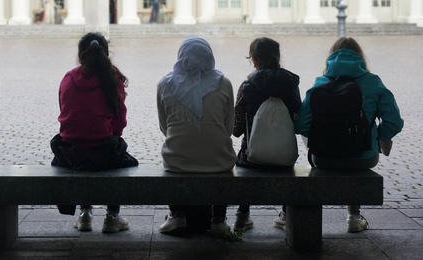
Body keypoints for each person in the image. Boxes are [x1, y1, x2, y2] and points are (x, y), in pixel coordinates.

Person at [295, 37, 404, 232]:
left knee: (311, 133)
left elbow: (302, 126)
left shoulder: (319, 83)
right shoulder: (373, 82)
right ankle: (354, 217)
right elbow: (394, 122)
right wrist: (374, 137)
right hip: (364, 157)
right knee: (358, 145)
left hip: (323, 158)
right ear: (360, 57)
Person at [50, 32, 138, 233]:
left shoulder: (68, 78)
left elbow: (66, 112)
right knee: (118, 153)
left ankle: (85, 214)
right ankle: (112, 217)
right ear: (106, 55)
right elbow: (119, 122)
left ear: (81, 55)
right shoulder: (113, 78)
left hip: (69, 151)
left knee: (83, 155)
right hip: (102, 148)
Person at [156, 36, 237, 236]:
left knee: (172, 153)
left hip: (178, 162)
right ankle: (219, 219)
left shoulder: (165, 84)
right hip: (219, 161)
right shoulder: (224, 83)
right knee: (220, 154)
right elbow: (227, 129)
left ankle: (176, 215)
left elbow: (164, 127)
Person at [232, 37, 302, 232]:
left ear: (254, 60)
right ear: (278, 57)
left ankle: (242, 216)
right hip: (284, 157)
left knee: (244, 152)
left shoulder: (246, 86)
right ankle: (286, 215)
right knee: (287, 165)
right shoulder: (291, 84)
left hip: (252, 158)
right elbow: (298, 122)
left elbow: (236, 129)